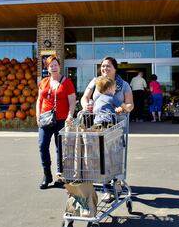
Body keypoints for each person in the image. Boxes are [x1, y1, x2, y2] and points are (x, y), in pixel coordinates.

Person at [81, 57, 133, 202]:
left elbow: (130, 105)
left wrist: (122, 109)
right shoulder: (95, 81)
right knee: (100, 156)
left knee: (113, 155)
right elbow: (85, 97)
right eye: (103, 66)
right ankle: (106, 188)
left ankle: (116, 182)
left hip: (115, 125)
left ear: (115, 69)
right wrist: (86, 105)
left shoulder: (123, 85)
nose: (104, 68)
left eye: (108, 66)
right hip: (97, 124)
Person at [36, 55, 76, 190]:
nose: (53, 67)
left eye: (55, 65)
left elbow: (72, 101)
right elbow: (39, 100)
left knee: (60, 148)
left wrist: (70, 115)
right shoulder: (43, 82)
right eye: (50, 65)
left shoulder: (67, 82)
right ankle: (47, 175)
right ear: (47, 69)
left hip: (61, 120)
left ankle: (61, 175)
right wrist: (38, 115)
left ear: (59, 66)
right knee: (42, 145)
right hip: (46, 119)